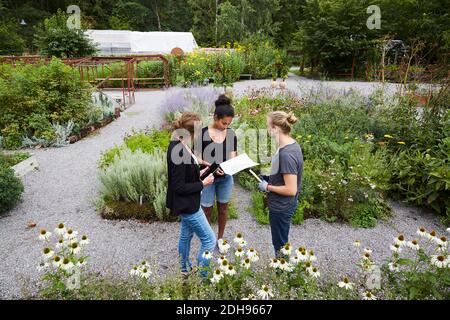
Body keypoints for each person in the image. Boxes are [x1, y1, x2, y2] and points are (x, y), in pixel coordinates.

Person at [166, 112, 216, 277]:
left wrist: (199, 163)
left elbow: (188, 163)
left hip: (189, 202)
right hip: (188, 205)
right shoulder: (178, 151)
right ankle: (202, 277)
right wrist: (204, 183)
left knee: (186, 236)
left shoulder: (181, 142)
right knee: (209, 241)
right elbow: (178, 186)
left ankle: (184, 269)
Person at [257, 111, 303, 256]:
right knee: (280, 240)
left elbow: (291, 189)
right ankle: (282, 268)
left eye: (268, 126)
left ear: (276, 128)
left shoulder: (286, 154)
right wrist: (269, 177)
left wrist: (268, 187)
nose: (266, 129)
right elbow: (285, 175)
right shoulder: (291, 144)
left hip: (281, 206)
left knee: (280, 243)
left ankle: (282, 273)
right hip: (284, 203)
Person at [195, 94, 237, 243]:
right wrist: (211, 166)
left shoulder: (231, 134)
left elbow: (233, 156)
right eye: (223, 123)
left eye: (228, 123)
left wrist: (229, 167)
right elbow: (196, 157)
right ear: (215, 117)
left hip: (225, 178)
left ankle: (220, 239)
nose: (226, 127)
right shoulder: (203, 133)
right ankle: (207, 240)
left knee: (223, 209)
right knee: (206, 210)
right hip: (207, 178)